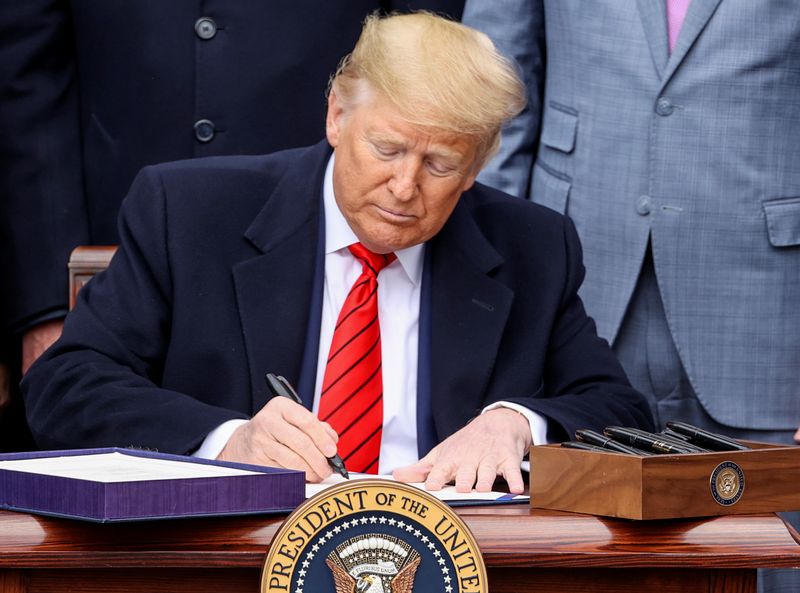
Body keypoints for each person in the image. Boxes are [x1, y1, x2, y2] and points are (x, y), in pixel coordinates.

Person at [22, 12, 653, 494]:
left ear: (476, 167)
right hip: (233, 559)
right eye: (387, 150)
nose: (405, 188)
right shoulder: (188, 212)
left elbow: (621, 409)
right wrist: (228, 440)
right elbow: (65, 386)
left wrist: (517, 422)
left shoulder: (531, 246)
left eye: (440, 164)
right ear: (336, 116)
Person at [462, 1, 800, 589]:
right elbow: (488, 93)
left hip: (765, 312)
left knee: (765, 556)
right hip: (576, 286)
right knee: (566, 555)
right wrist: (482, 289)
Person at [0, 0, 465, 378]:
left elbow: (424, 56)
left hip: (332, 266)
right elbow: (25, 84)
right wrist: (46, 309)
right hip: (104, 249)